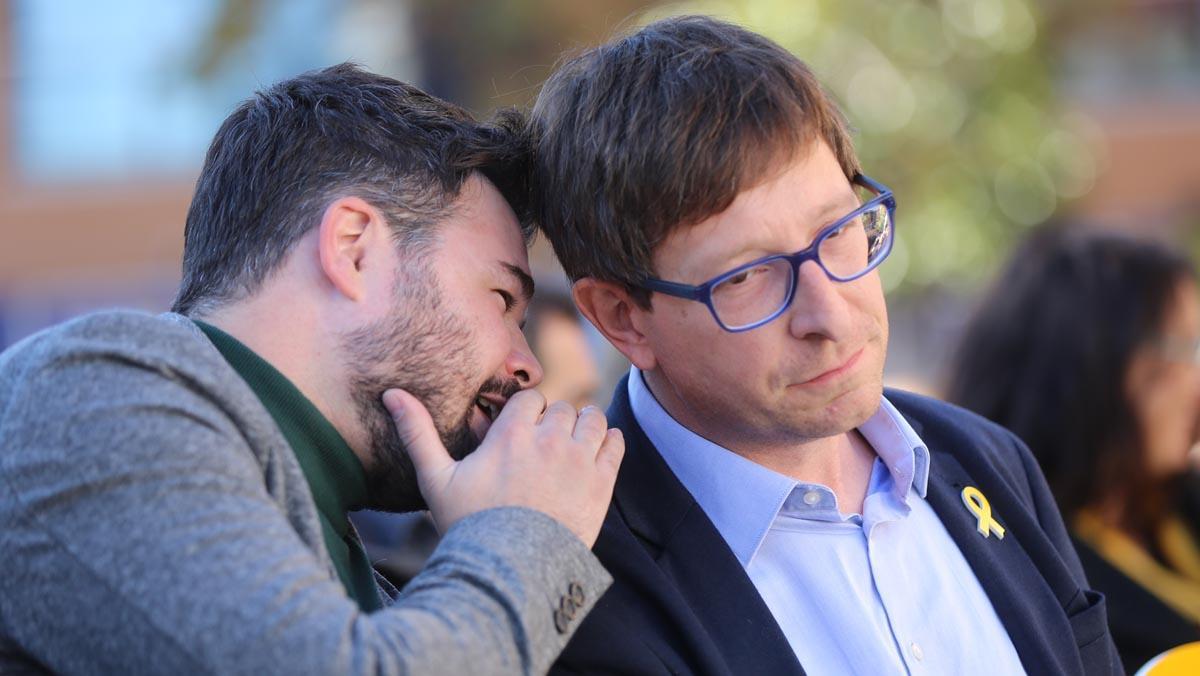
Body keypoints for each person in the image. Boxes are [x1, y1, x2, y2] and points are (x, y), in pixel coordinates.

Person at [530, 15, 1119, 675]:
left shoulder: (989, 461)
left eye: (838, 229)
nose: (829, 312)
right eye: (747, 276)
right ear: (621, 318)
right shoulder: (571, 593)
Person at [0, 64, 625, 675]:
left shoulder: (358, 570)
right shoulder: (97, 395)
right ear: (352, 247)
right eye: (501, 300)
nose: (528, 367)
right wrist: (525, 533)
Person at [946, 225, 1200, 672]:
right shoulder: (1023, 565)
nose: (1194, 380)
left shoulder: (1178, 505)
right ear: (1091, 364)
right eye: (1183, 350)